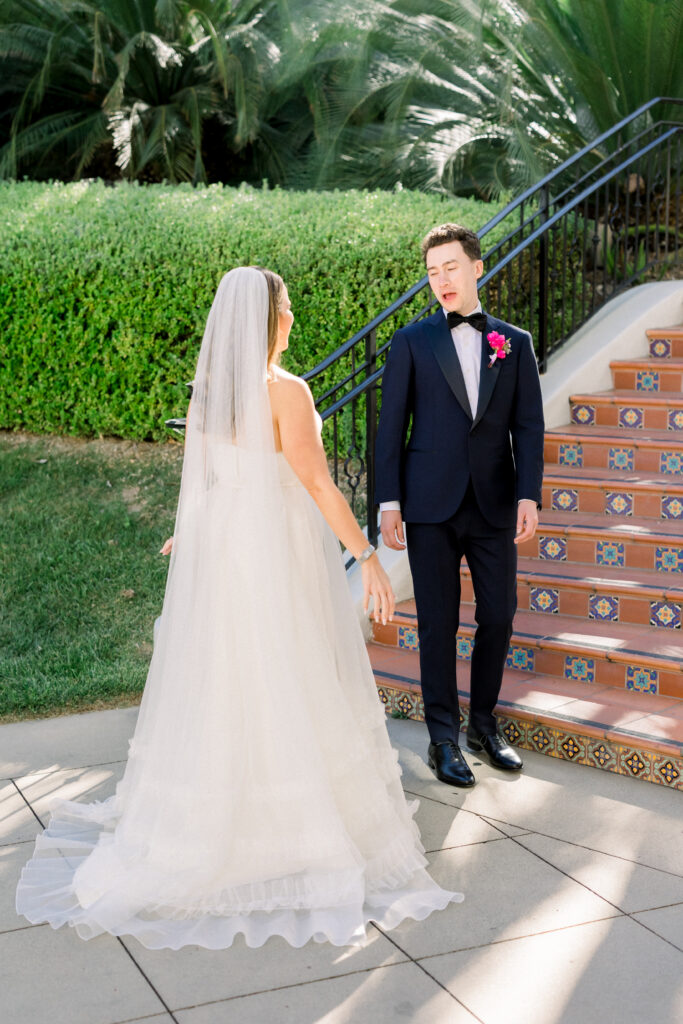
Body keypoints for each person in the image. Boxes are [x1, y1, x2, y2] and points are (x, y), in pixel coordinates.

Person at [15, 266, 462, 950]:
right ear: (268, 320)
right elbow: (316, 482)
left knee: (226, 671)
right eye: (285, 311)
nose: (291, 321)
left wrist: (188, 533)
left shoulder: (212, 392)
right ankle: (291, 829)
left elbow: (206, 480)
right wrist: (367, 556)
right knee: (283, 665)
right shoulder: (284, 391)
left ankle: (217, 815)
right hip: (272, 553)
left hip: (224, 551)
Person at [375, 223, 544, 788]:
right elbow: (390, 428)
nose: (440, 280)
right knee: (437, 623)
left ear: (476, 266)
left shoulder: (514, 343)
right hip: (428, 505)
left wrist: (528, 493)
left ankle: (483, 723)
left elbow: (528, 426)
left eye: (450, 268)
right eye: (431, 272)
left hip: (495, 503)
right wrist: (389, 503)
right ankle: (442, 738)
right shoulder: (412, 342)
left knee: (498, 613)